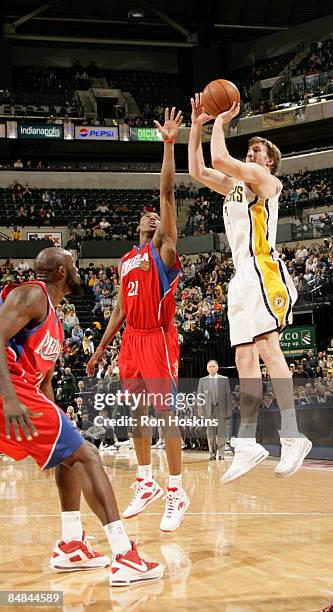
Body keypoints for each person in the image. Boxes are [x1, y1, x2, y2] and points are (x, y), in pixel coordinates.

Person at [0, 247, 163, 586]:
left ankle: (71, 545)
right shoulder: (31, 294)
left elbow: (43, 381)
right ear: (60, 271)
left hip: (23, 393)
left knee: (71, 455)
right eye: (72, 263)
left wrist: (59, 430)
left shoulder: (54, 319)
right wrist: (9, 398)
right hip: (9, 393)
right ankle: (124, 555)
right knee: (88, 456)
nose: (78, 268)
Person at [188, 93, 312, 483]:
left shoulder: (266, 181)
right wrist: (196, 126)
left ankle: (292, 434)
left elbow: (222, 160)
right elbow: (198, 170)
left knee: (268, 349)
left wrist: (220, 122)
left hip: (263, 268)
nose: (251, 154)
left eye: (256, 150)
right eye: (251, 150)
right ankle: (247, 442)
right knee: (243, 359)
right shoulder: (235, 188)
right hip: (241, 276)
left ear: (269, 160)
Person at [87, 107, 189, 531]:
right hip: (131, 339)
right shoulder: (127, 260)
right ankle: (146, 482)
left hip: (159, 339)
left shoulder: (163, 253)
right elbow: (118, 310)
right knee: (136, 415)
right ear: (137, 225)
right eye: (145, 216)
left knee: (166, 416)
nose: (152, 216)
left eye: (156, 217)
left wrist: (168, 145)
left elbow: (166, 196)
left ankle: (177, 489)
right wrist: (100, 349)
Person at [197, 359, 232, 460]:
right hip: (208, 410)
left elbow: (228, 395)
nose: (211, 368)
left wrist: (229, 409)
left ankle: (221, 453)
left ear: (217, 368)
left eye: (213, 366)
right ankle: (212, 453)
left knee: (221, 432)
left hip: (221, 409)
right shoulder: (202, 380)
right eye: (210, 367)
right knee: (210, 432)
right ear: (207, 369)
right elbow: (200, 396)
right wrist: (200, 408)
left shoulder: (224, 379)